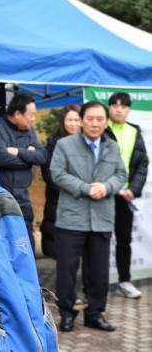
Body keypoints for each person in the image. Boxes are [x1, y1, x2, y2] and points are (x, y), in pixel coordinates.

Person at [50, 101, 126, 333]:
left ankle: (94, 314)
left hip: (101, 217)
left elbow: (121, 174)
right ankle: (66, 312)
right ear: (81, 120)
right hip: (71, 218)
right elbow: (57, 173)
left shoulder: (112, 146)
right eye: (90, 119)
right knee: (66, 271)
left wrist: (106, 186)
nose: (95, 123)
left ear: (106, 122)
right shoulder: (64, 144)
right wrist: (85, 188)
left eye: (100, 119)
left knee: (99, 272)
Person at [0, 93, 46, 251]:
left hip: (24, 197)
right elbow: (1, 158)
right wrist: (28, 156)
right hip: (2, 196)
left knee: (27, 244)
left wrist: (18, 151)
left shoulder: (29, 130)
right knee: (7, 244)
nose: (33, 119)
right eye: (31, 115)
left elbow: (42, 156)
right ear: (18, 114)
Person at [105, 92, 148, 299]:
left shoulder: (134, 130)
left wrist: (134, 189)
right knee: (98, 241)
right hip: (102, 195)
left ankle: (124, 280)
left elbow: (142, 164)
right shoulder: (102, 129)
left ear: (129, 109)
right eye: (114, 105)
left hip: (126, 196)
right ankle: (96, 283)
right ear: (109, 107)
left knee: (124, 241)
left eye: (123, 106)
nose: (119, 109)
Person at [41, 105, 81, 258]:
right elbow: (51, 175)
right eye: (69, 120)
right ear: (63, 122)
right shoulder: (54, 143)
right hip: (60, 202)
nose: (73, 123)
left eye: (76, 120)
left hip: (84, 205)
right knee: (62, 251)